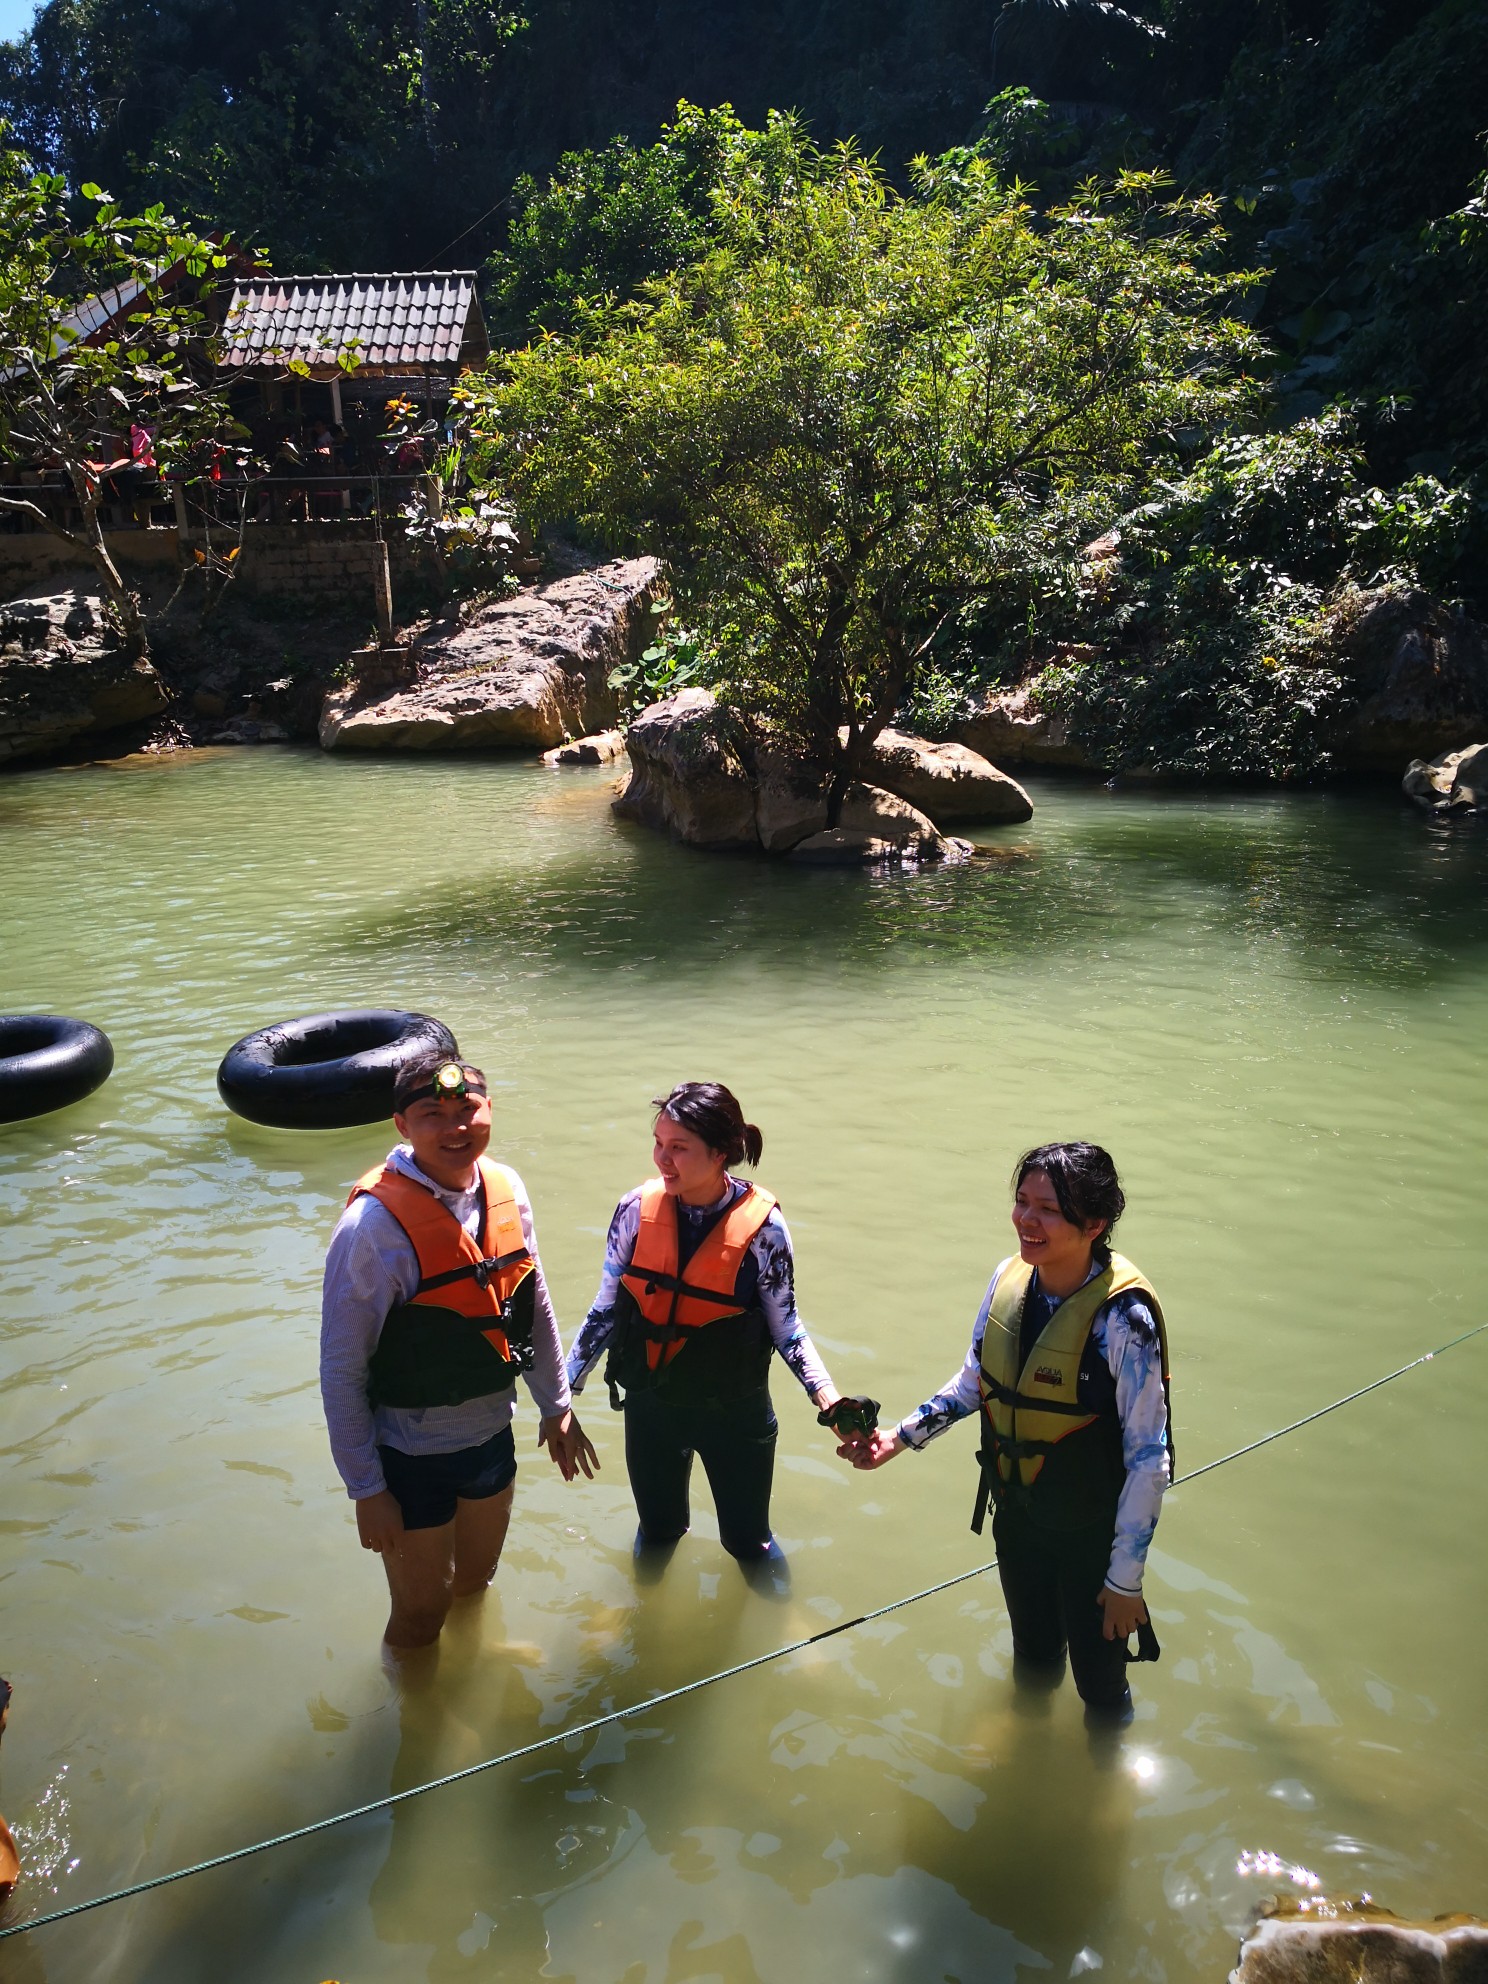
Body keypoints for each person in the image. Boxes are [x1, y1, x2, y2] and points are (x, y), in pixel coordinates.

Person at [846, 1142, 1171, 1723]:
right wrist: (898, 1438)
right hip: (1018, 1516)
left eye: (1047, 1209)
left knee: (1100, 1686)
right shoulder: (1009, 1278)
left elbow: (1150, 1459)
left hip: (1091, 1536)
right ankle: (1028, 1757)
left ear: (1093, 1224)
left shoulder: (1125, 1321)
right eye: (1022, 1202)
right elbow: (977, 1380)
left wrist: (1125, 1582)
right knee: (1035, 1661)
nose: (1026, 1219)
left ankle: (1103, 1789)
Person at [321, 1052, 597, 1649]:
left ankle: (473, 1671)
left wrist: (556, 1405)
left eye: (467, 1109)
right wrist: (367, 1489)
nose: (455, 1127)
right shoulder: (371, 1229)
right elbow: (341, 1370)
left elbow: (533, 1298)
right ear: (402, 1126)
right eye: (431, 1114)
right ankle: (414, 1722)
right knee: (420, 1615)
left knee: (474, 1584)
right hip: (409, 1456)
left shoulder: (505, 1188)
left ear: (489, 1109)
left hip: (490, 1436)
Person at [566, 1081, 869, 1590]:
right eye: (659, 1143)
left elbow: (787, 1326)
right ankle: (641, 1624)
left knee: (749, 1542)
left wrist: (830, 1402)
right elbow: (604, 1311)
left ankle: (785, 1626)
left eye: (679, 1148)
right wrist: (563, 1395)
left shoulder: (764, 1232)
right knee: (658, 1532)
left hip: (734, 1414)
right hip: (652, 1407)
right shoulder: (632, 1213)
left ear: (720, 1153)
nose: (664, 1159)